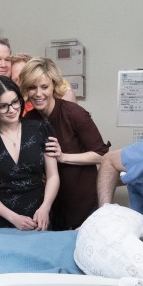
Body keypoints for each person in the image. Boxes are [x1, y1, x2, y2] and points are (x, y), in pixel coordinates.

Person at [20, 58, 109, 230]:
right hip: (52, 207)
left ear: (53, 86)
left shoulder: (73, 113)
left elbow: (102, 155)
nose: (38, 94)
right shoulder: (28, 120)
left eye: (44, 87)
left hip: (84, 202)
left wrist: (63, 157)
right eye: (32, 87)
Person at [0, 76, 59, 230]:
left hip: (40, 218)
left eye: (15, 102)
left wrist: (45, 207)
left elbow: (53, 176)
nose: (12, 110)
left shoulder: (40, 129)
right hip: (2, 221)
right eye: (3, 106)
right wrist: (13, 218)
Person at [11, 53, 76, 117]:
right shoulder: (14, 108)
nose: (21, 83)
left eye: (25, 77)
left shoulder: (61, 94)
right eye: (15, 80)